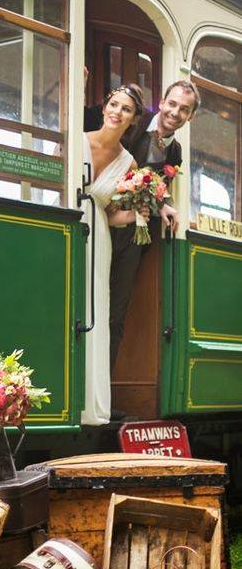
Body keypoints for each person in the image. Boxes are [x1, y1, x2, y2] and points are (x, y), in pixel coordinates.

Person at [109, 80, 200, 371]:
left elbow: (158, 189)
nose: (175, 112)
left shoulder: (176, 153)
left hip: (136, 234)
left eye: (184, 109)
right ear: (161, 102)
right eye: (172, 104)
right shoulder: (133, 121)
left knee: (117, 312)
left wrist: (166, 205)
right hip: (105, 220)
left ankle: (103, 397)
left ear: (191, 117)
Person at [82, 84, 147, 425]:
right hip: (66, 226)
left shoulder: (129, 163)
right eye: (113, 104)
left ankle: (88, 398)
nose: (116, 112)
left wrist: (139, 214)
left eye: (125, 109)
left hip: (99, 238)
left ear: (133, 120)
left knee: (94, 310)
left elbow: (112, 213)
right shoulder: (76, 139)